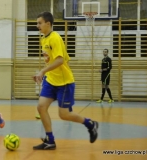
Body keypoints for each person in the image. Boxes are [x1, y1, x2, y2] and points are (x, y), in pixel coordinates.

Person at [32, 12, 99, 150]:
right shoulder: (43, 39)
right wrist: (43, 74)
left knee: (64, 115)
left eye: (39, 22)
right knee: (41, 107)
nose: (37, 25)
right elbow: (52, 60)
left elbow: (60, 60)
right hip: (51, 80)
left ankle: (90, 124)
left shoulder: (55, 38)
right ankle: (50, 141)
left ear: (48, 24)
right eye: (37, 23)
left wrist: (43, 71)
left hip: (64, 82)